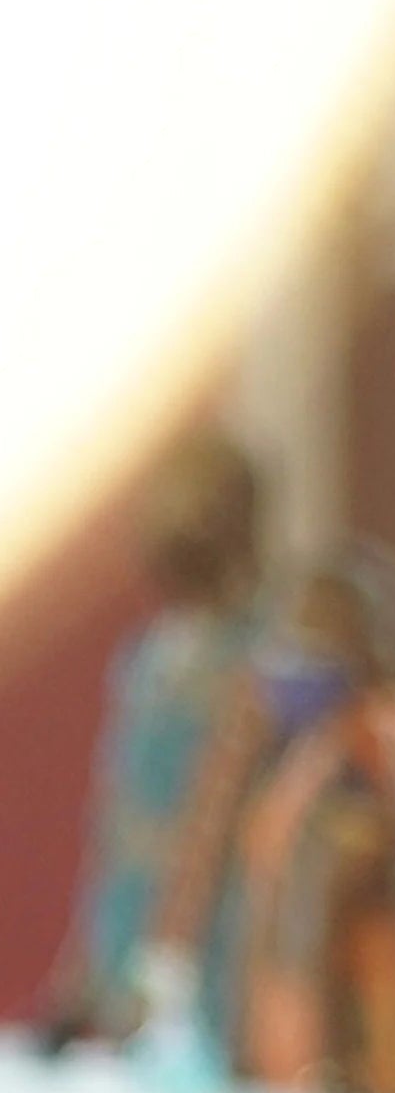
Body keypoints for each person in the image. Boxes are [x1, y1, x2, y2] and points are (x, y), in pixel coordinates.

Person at [145, 539, 395, 1093]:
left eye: (310, 637)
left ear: (365, 644)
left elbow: (321, 895)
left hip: (381, 1082)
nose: (289, 657)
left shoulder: (370, 750)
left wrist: (309, 1074)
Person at [41, 427, 267, 1048]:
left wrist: (173, 954)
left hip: (212, 933)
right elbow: (113, 816)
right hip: (126, 916)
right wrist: (81, 965)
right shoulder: (146, 654)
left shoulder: (255, 653)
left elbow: (217, 817)